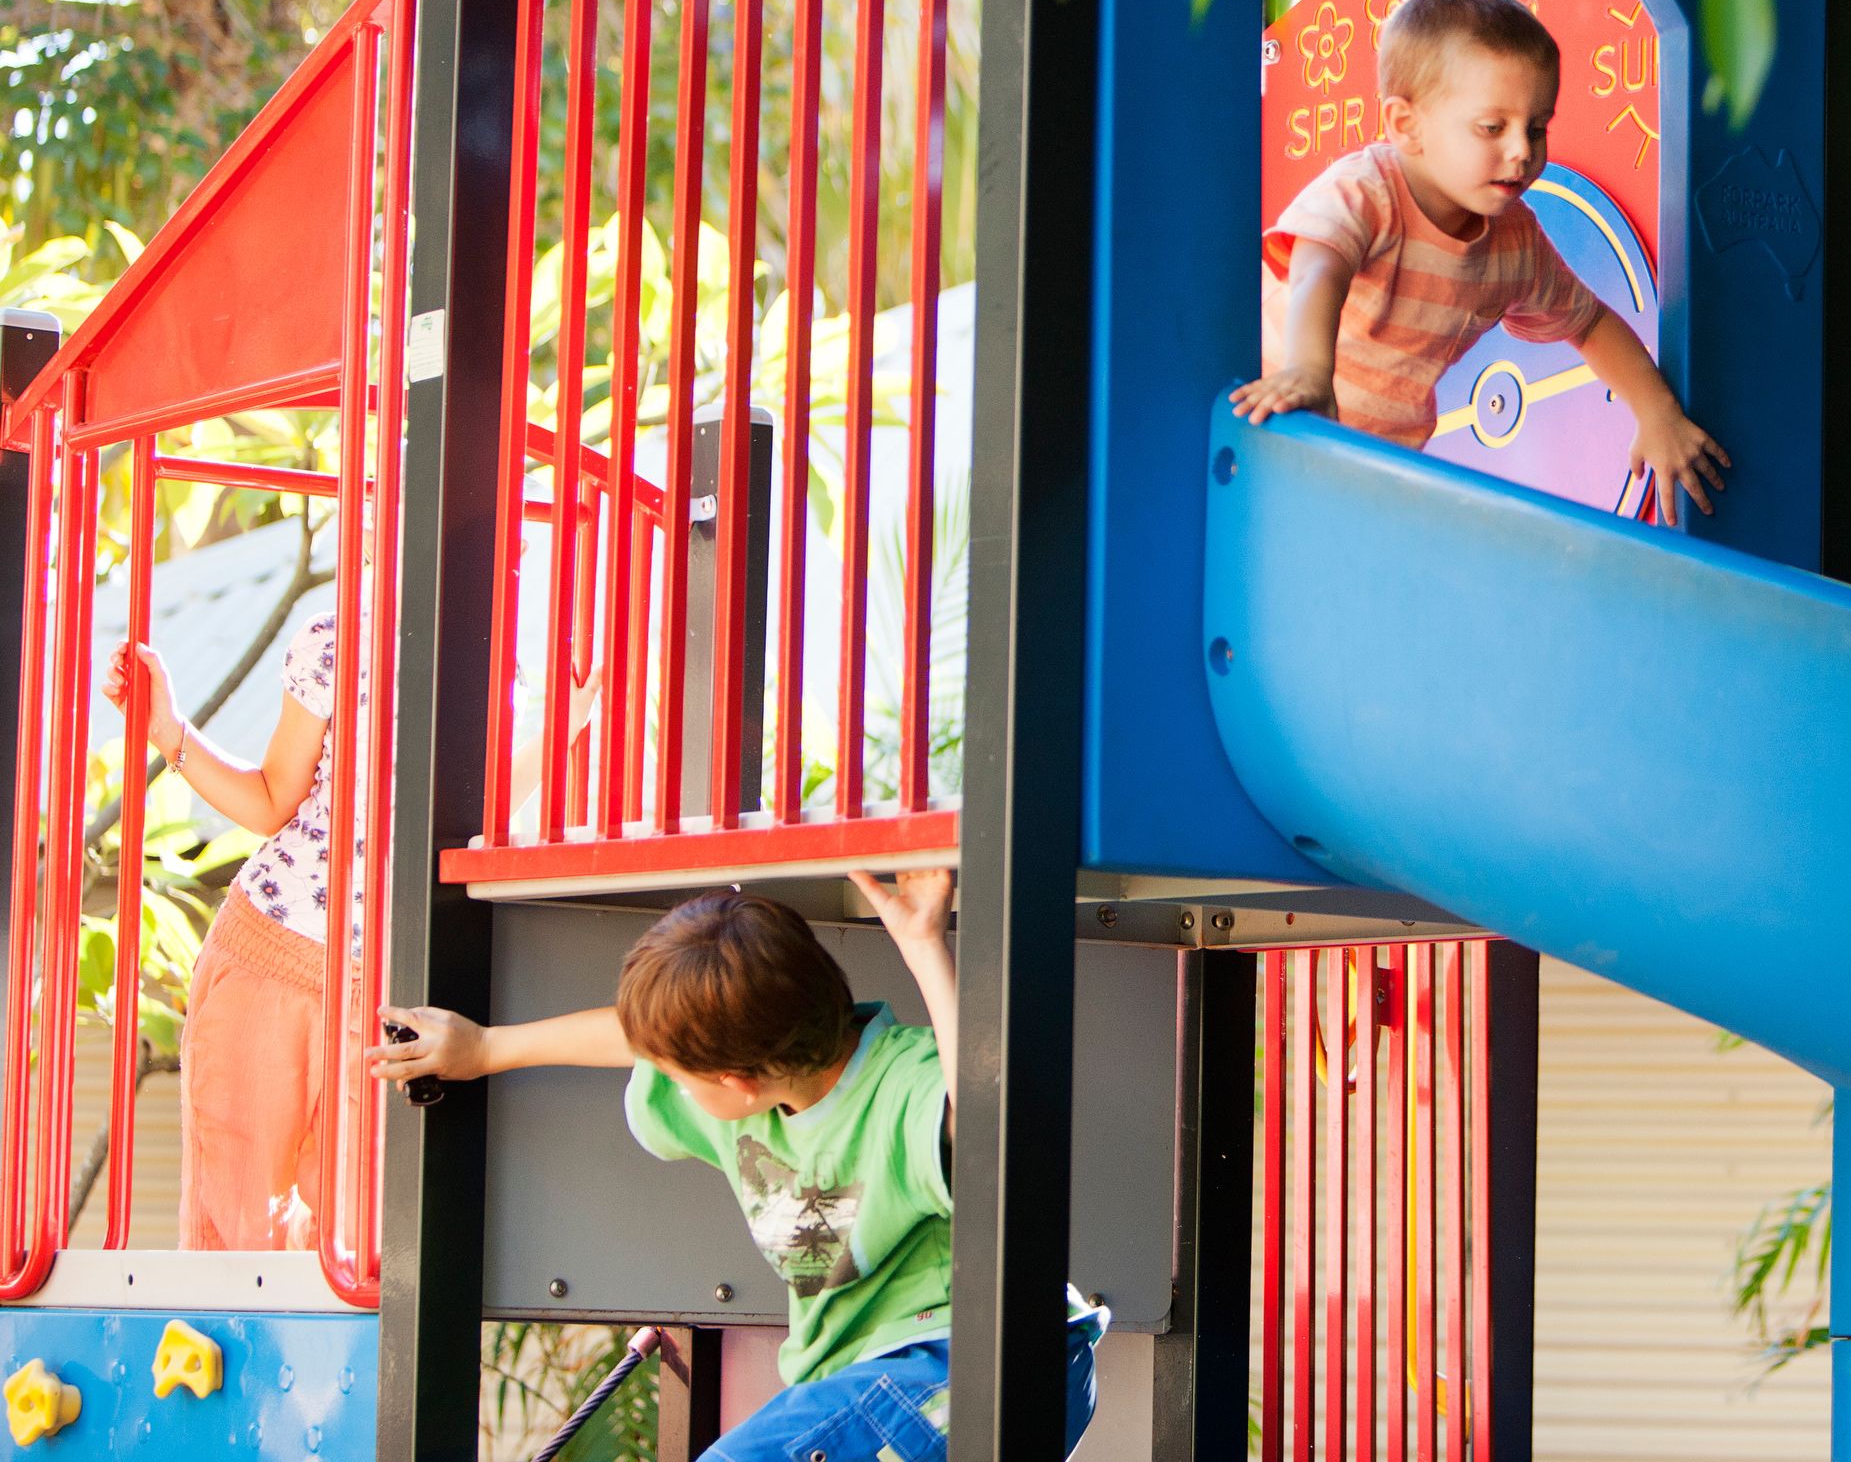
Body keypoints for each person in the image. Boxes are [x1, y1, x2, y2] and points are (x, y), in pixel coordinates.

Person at [370, 875, 1104, 1462]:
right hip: (885, 1379)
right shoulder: (747, 1083)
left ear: (738, 1080)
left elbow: (990, 1125)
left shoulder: (903, 1082)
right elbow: (634, 1037)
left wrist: (924, 948)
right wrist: (487, 1048)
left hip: (979, 1357)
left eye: (679, 1074)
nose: (663, 1081)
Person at [106, 617, 591, 1251]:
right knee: (237, 1219)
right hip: (270, 950)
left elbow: (476, 811)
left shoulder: (496, 649)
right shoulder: (338, 635)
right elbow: (273, 799)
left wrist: (572, 721)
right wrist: (169, 733)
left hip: (388, 983)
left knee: (366, 1240)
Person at [1229, 0, 1730, 517]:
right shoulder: (1368, 192)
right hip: (1275, 412)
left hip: (1377, 462)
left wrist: (1655, 411)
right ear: (1407, 125)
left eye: (1537, 128)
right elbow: (1317, 268)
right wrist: (1308, 370)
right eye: (1492, 128)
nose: (1521, 151)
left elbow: (1587, 322)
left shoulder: (1515, 243)